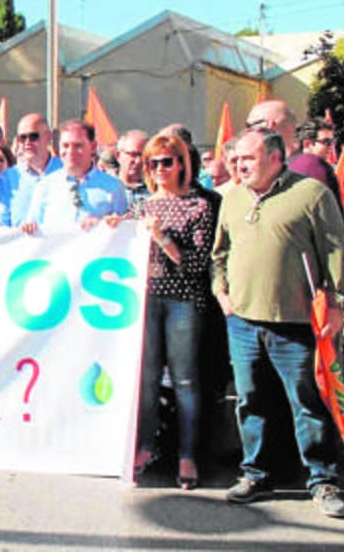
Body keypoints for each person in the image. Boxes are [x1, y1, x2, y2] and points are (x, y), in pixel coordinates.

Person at [212, 127, 344, 518]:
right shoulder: (233, 197)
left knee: (307, 402)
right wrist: (221, 292)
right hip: (242, 321)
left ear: (275, 158)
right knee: (251, 400)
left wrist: (337, 306)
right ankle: (256, 473)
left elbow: (335, 252)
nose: (239, 165)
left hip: (296, 324)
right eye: (236, 158)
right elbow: (219, 253)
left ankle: (322, 480)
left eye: (248, 158)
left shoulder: (311, 195)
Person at [127, 134, 216, 490]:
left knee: (185, 381)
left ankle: (188, 454)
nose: (159, 169)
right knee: (146, 380)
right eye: (153, 163)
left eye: (166, 161)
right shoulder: (142, 206)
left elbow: (195, 264)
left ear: (181, 163)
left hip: (183, 302)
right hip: (147, 300)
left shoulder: (199, 206)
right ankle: (147, 446)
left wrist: (162, 238)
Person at [22, 120, 127, 234]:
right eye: (65, 146)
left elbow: (123, 232)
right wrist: (28, 227)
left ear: (93, 147)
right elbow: (32, 229)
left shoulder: (114, 187)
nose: (71, 151)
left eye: (78, 146)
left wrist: (102, 223)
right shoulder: (44, 186)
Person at [0, 113, 62, 227]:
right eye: (22, 138)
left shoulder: (66, 171)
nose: (27, 142)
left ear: (48, 137)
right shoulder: (9, 178)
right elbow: (1, 220)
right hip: (22, 244)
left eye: (33, 136)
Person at [115, 130, 151, 207]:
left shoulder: (154, 189)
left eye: (143, 155)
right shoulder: (106, 187)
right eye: (133, 154)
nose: (138, 161)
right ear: (118, 155)